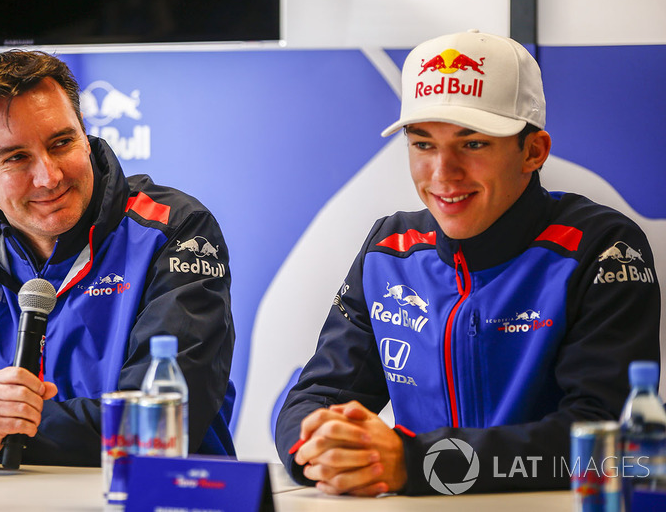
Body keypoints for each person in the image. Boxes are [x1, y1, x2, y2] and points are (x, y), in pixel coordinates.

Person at [275, 30, 661, 495]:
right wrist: (324, 449)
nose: (443, 174)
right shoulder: (389, 248)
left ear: (533, 151)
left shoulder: (601, 247)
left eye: (472, 144)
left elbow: (605, 439)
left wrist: (416, 465)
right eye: (423, 145)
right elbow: (314, 399)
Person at [0, 50, 236, 466]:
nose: (50, 176)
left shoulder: (173, 229)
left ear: (84, 132)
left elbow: (163, 418)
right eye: (16, 158)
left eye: (62, 142)